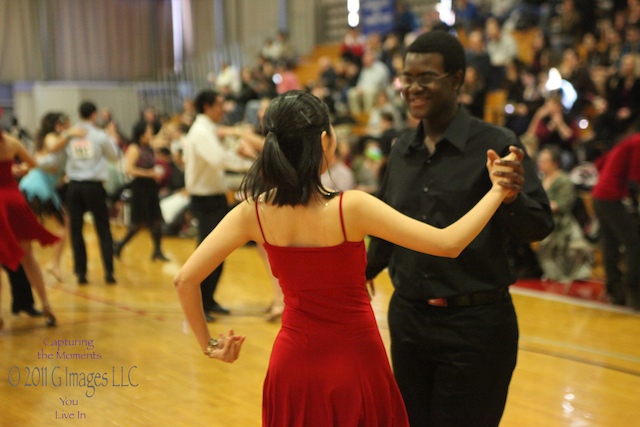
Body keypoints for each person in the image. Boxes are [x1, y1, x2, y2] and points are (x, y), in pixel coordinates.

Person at [174, 89, 521, 426]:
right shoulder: (350, 208)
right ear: (325, 140)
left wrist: (211, 345)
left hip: (292, 368)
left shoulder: (252, 212)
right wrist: (498, 190)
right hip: (356, 364)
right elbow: (449, 243)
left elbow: (185, 280)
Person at [365, 31, 554, 427]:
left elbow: (538, 226)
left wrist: (511, 196)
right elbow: (386, 228)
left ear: (456, 79)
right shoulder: (401, 149)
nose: (413, 87)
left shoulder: (498, 144)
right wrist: (358, 275)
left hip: (477, 327)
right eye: (407, 78)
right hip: (410, 320)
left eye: (426, 77)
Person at [183, 89, 252, 321]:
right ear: (207, 106)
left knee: (218, 253)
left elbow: (220, 156)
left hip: (214, 197)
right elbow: (219, 160)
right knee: (209, 253)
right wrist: (249, 164)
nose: (224, 109)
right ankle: (199, 305)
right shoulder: (201, 132)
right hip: (205, 199)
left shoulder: (208, 129)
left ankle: (209, 300)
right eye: (220, 104)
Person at [0, 130, 59, 328]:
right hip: (14, 200)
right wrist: (19, 170)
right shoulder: (11, 142)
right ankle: (47, 306)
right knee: (29, 257)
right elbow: (33, 164)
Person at [19, 112, 85, 282]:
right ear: (58, 125)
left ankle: (48, 264)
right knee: (34, 227)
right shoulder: (51, 137)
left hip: (43, 187)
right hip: (37, 186)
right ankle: (38, 264)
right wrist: (70, 133)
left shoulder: (64, 142)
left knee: (57, 224)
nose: (70, 127)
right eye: (67, 124)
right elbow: (52, 147)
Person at [64, 101, 120, 285]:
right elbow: (114, 156)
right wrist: (111, 137)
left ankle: (81, 273)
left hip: (73, 187)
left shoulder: (70, 134)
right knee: (103, 229)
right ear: (94, 114)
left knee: (76, 230)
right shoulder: (99, 135)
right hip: (94, 188)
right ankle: (109, 272)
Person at [591, 130, 640, 308]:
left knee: (610, 243)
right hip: (610, 197)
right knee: (634, 244)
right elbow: (636, 176)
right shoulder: (637, 141)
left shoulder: (626, 140)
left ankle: (615, 290)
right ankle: (634, 290)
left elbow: (599, 163)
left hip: (599, 195)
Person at [535, 146, 593, 284]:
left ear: (555, 163)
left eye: (544, 161)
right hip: (541, 216)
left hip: (560, 221)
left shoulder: (564, 180)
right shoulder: (540, 178)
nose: (540, 164)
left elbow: (563, 205)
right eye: (540, 161)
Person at [113, 121, 168, 261]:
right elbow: (129, 169)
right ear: (141, 133)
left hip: (150, 188)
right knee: (138, 223)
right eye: (148, 131)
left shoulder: (149, 147)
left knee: (156, 221)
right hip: (140, 189)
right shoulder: (134, 148)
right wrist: (150, 173)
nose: (150, 134)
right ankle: (120, 245)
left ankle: (157, 251)